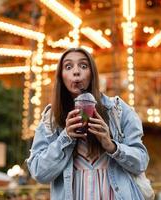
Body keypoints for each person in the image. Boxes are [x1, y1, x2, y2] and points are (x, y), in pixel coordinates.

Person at [27, 47, 149, 199]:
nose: (76, 71)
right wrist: (65, 138)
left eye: (83, 66)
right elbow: (39, 172)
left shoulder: (118, 110)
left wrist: (111, 146)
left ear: (92, 74)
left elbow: (141, 162)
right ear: (61, 76)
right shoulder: (51, 119)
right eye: (68, 66)